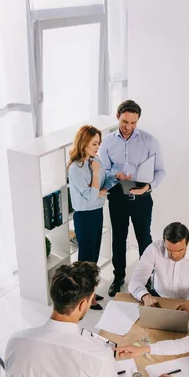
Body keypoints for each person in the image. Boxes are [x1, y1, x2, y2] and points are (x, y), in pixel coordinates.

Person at [99, 99, 166, 297]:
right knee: (118, 238)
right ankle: (118, 276)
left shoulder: (150, 140)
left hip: (141, 194)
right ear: (117, 117)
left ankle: (147, 279)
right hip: (117, 194)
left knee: (144, 238)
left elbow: (161, 171)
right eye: (125, 122)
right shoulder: (107, 142)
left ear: (138, 121)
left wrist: (148, 187)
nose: (128, 127)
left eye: (133, 123)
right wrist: (115, 175)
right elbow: (104, 170)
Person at [68, 125, 116, 310]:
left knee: (93, 257)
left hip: (97, 212)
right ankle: (84, 297)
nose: (97, 147)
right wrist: (96, 175)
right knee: (85, 260)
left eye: (99, 143)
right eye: (94, 143)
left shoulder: (95, 161)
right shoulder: (76, 168)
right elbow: (90, 195)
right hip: (85, 216)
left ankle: (90, 293)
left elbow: (102, 185)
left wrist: (113, 179)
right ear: (84, 143)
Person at [128, 222, 189, 312]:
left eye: (180, 250)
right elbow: (135, 281)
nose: (174, 255)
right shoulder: (153, 249)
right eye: (169, 250)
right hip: (160, 298)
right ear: (164, 242)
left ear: (187, 243)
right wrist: (145, 296)